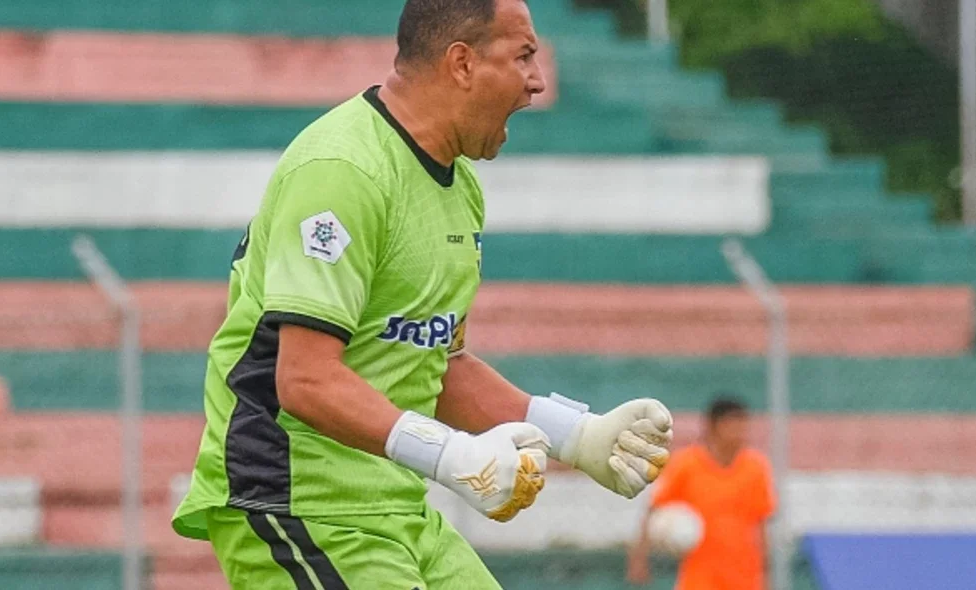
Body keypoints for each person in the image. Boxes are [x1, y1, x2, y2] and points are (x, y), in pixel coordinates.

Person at [170, 0, 674, 588]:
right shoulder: (343, 171)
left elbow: (439, 364)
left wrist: (578, 437)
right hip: (297, 504)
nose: (538, 81)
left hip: (397, 510)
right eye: (525, 56)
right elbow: (304, 379)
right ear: (462, 63)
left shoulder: (459, 186)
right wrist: (453, 456)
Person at [627, 397, 776, 590]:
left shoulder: (756, 467)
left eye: (743, 426)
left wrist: (767, 572)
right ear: (713, 427)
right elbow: (654, 510)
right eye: (733, 426)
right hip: (700, 579)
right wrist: (639, 558)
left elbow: (762, 523)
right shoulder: (687, 465)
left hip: (746, 579)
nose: (740, 433)